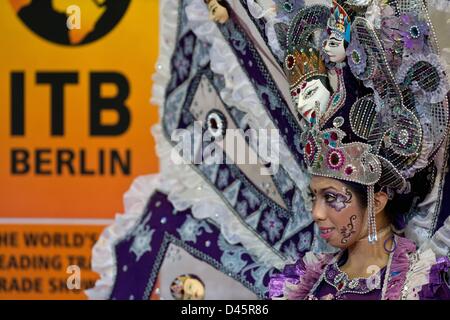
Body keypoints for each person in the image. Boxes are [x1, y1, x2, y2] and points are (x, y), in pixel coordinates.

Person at [269, 1, 450, 300]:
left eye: (331, 197)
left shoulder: (424, 287)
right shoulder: (301, 282)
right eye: (313, 196)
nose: (315, 213)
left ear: (376, 201)